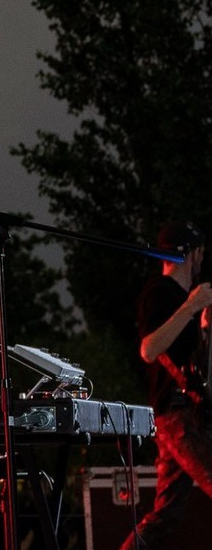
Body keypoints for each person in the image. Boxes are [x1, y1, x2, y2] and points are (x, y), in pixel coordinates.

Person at [120, 220, 212, 550]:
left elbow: (191, 361)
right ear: (192, 254)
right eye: (200, 252)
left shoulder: (183, 299)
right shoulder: (160, 293)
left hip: (186, 413)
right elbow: (149, 349)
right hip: (178, 416)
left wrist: (202, 326)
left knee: (167, 514)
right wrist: (190, 308)